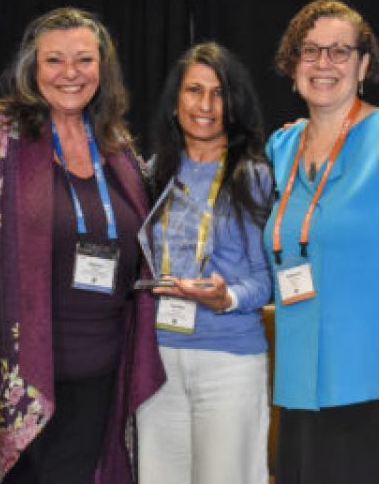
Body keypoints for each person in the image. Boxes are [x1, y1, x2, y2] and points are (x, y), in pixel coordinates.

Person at [0, 7, 164, 484]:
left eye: (84, 60)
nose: (70, 74)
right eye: (54, 61)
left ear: (103, 68)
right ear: (31, 68)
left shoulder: (116, 142)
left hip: (102, 369)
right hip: (18, 374)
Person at [264, 0, 379, 483]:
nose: (323, 63)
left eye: (340, 51)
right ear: (293, 64)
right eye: (310, 51)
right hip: (300, 387)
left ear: (364, 65)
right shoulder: (282, 147)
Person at [136, 42, 272, 484]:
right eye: (195, 90)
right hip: (157, 360)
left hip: (229, 360)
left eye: (219, 93)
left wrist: (227, 297)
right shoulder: (153, 173)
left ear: (233, 104)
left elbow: (267, 278)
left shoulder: (253, 175)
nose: (206, 105)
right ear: (175, 102)